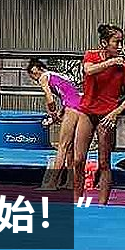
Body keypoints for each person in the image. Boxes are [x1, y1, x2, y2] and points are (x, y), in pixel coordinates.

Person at [74, 24, 125, 206]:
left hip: (107, 114)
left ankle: (102, 204)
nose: (120, 46)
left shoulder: (124, 66)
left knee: (104, 162)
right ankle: (76, 200)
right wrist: (111, 62)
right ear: (104, 43)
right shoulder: (91, 56)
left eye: (121, 42)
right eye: (116, 42)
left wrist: (115, 113)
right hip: (87, 112)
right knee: (78, 159)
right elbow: (88, 70)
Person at [27, 58, 82, 190]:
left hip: (72, 108)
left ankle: (52, 183)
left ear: (40, 70)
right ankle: (70, 182)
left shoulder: (44, 77)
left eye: (35, 75)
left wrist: (52, 114)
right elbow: (69, 94)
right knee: (70, 148)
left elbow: (50, 98)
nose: (37, 79)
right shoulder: (58, 76)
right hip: (80, 106)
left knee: (62, 146)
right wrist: (59, 113)